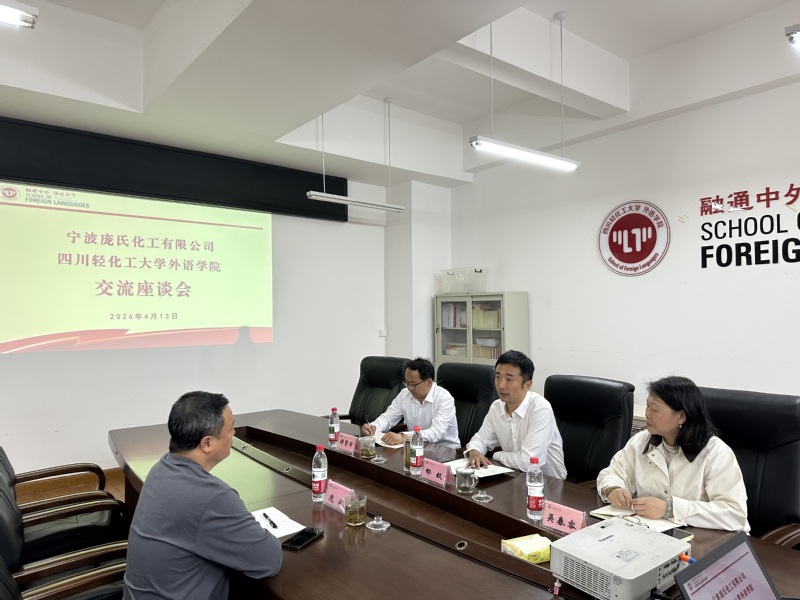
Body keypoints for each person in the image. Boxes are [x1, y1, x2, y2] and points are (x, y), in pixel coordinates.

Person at [123, 391, 281, 600]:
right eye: (230, 428)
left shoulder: (161, 468)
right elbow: (268, 560)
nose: (234, 433)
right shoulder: (213, 497)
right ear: (207, 443)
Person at [596, 376, 749, 532]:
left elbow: (734, 514)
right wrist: (612, 489)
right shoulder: (641, 441)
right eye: (647, 406)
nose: (647, 414)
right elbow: (612, 472)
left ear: (681, 416)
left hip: (706, 538)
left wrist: (670, 509)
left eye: (655, 409)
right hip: (652, 532)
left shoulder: (716, 453)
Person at [465, 350, 566, 477]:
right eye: (498, 377)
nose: (501, 385)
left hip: (549, 482)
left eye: (509, 379)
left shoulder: (540, 409)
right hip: (514, 476)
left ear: (527, 385)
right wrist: (474, 452)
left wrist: (496, 455)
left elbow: (529, 462)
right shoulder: (496, 407)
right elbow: (480, 440)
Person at [361, 357, 460, 448]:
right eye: (407, 383)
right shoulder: (405, 394)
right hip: (416, 447)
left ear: (429, 382)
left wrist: (404, 437)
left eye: (413, 384)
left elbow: (436, 432)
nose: (409, 388)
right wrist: (374, 427)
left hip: (445, 451)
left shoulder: (444, 399)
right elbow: (388, 418)